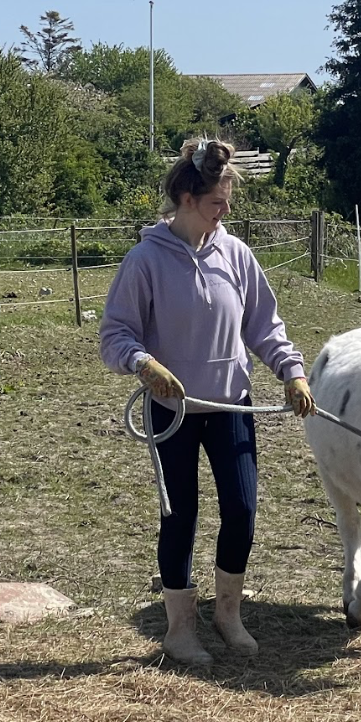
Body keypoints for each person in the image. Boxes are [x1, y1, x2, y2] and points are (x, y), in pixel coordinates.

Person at [100, 137, 315, 666]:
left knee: (242, 509)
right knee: (181, 517)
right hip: (172, 412)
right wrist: (143, 363)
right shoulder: (145, 260)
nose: (225, 211)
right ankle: (179, 629)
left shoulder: (236, 255)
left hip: (230, 406)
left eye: (227, 202)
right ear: (188, 199)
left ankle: (228, 614)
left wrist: (292, 372)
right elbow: (115, 334)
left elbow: (264, 326)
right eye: (217, 202)